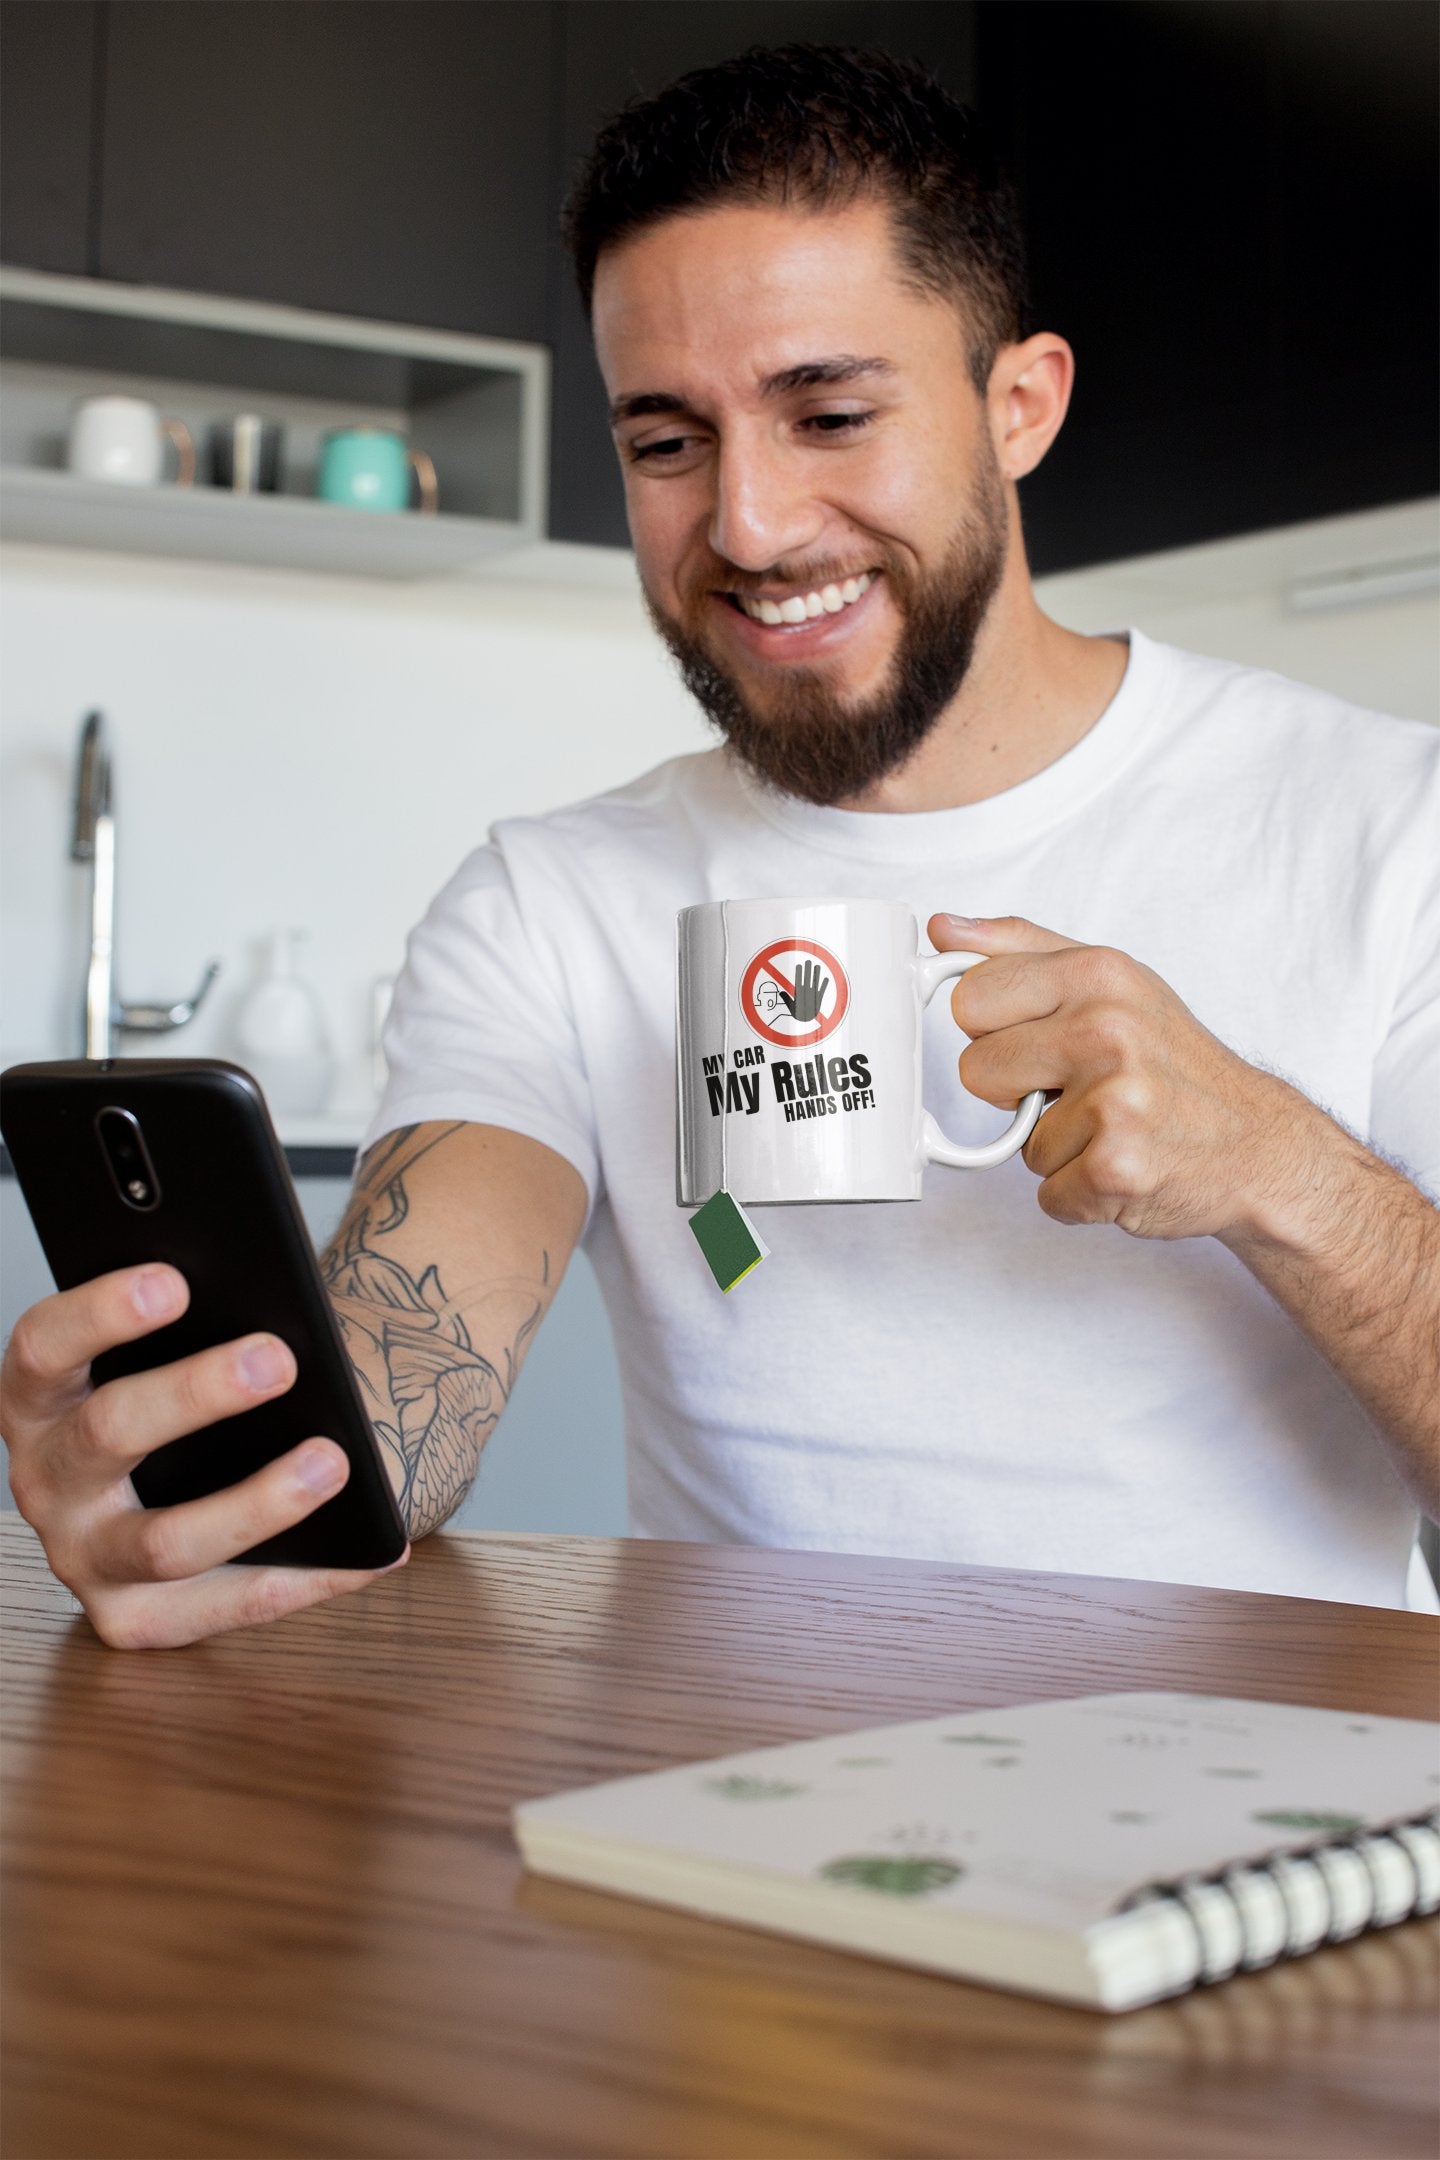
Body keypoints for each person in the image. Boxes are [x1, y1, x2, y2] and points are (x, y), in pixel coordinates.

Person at [2, 46, 1436, 1649]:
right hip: (730, 1815)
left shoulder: (1388, 826)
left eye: (828, 411)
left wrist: (1287, 1171)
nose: (747, 527)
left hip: (1268, 1850)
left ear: (1018, 404)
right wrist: (244, 1486)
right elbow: (427, 1326)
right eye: (668, 443)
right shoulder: (554, 903)